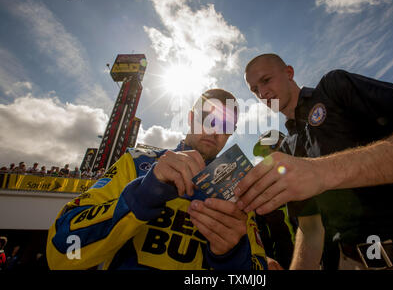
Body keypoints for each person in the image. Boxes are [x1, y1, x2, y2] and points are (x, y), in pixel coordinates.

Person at [236, 53, 393, 270]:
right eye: (254, 90)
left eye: (266, 80)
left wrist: (322, 171)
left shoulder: (333, 89)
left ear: (289, 73)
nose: (262, 93)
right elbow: (310, 227)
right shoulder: (288, 149)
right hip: (351, 262)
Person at [47, 89, 267, 270]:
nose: (214, 130)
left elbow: (259, 269)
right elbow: (60, 251)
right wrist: (139, 198)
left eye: (225, 125)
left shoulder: (239, 188)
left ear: (231, 133)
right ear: (190, 118)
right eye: (207, 118)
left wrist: (234, 257)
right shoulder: (136, 162)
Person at [252, 129, 307, 270]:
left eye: (271, 147)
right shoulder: (260, 195)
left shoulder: (310, 177)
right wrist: (266, 259)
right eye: (264, 153)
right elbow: (258, 236)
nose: (269, 156)